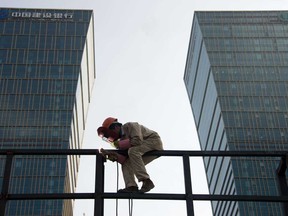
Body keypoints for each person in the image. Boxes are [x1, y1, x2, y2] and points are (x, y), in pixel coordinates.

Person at [97, 117, 163, 193]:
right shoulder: (122, 140)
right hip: (143, 150)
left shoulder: (130, 126)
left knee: (133, 151)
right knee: (126, 163)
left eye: (109, 133)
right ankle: (131, 186)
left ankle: (146, 181)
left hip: (153, 141)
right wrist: (111, 155)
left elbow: (137, 141)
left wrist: (120, 145)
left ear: (116, 127)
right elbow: (124, 159)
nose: (110, 137)